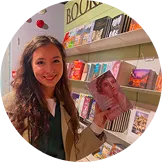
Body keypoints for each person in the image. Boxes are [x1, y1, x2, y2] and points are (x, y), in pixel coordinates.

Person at [1, 35, 111, 162]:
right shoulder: (8, 106)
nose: (50, 70)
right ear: (29, 66)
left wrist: (97, 125)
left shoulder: (66, 104)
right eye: (40, 62)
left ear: (63, 64)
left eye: (56, 61)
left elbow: (71, 152)